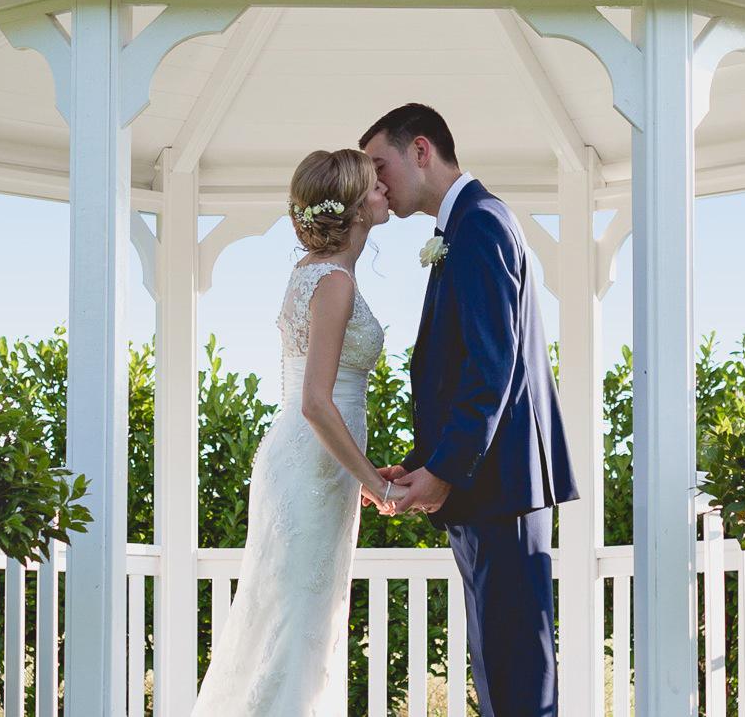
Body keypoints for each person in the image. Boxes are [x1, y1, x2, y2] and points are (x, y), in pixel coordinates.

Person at [361, 102, 577, 717]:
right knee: (500, 678)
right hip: (485, 487)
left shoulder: (481, 223)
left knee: (516, 684)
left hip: (500, 488)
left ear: (420, 150)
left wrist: (444, 472)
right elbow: (465, 375)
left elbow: (492, 369)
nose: (378, 185)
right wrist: (421, 465)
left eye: (382, 166)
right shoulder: (465, 227)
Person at [187, 149, 399, 717]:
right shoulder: (332, 282)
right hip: (314, 463)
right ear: (356, 208)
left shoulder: (314, 272)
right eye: (376, 188)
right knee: (300, 617)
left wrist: (361, 473)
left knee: (296, 614)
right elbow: (315, 402)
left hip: (313, 463)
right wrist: (376, 485)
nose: (386, 193)